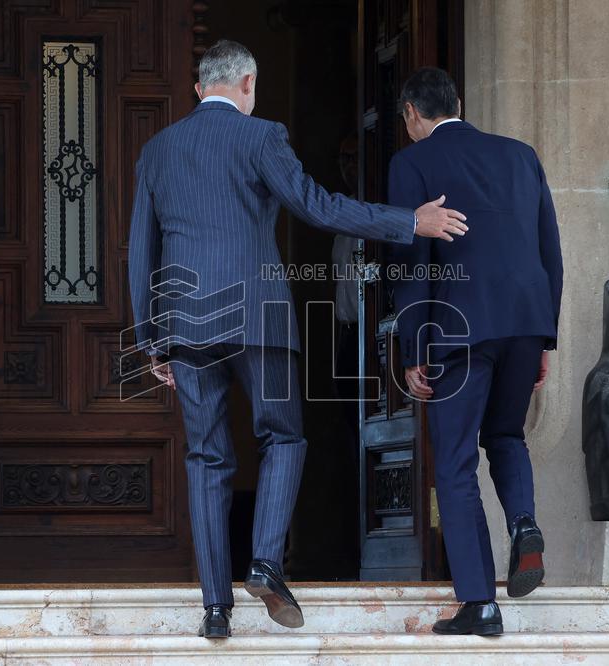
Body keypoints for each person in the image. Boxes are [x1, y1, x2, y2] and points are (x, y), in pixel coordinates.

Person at [128, 41, 468, 640]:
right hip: (259, 319)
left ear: (199, 88)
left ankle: (215, 607)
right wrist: (406, 221)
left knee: (207, 457)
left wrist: (152, 338)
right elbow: (315, 205)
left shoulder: (157, 149)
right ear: (248, 84)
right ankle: (264, 561)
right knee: (283, 437)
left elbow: (140, 252)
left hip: (187, 327)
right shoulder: (262, 137)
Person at [387, 67, 563, 637]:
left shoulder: (411, 163)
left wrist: (413, 345)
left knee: (456, 460)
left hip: (458, 326)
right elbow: (549, 251)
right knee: (506, 436)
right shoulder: (521, 155)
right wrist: (545, 338)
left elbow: (412, 260)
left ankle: (480, 602)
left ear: (411, 113)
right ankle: (524, 524)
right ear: (459, 103)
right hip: (526, 322)